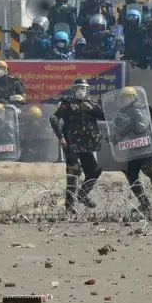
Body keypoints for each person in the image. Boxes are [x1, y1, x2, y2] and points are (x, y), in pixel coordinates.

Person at [109, 87, 152, 214]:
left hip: (148, 146)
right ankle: (144, 204)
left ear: (132, 98)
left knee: (151, 171)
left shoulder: (141, 109)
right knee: (131, 174)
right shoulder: (123, 113)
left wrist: (126, 127)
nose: (123, 101)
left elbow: (141, 127)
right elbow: (119, 130)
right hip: (135, 148)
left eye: (126, 98)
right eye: (122, 98)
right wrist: (114, 136)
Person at [49, 79, 105, 213]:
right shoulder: (67, 104)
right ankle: (69, 206)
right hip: (71, 144)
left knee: (94, 171)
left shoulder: (92, 103)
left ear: (87, 90)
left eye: (83, 88)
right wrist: (61, 137)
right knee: (73, 174)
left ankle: (82, 194)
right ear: (74, 90)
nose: (81, 91)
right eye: (78, 88)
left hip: (86, 145)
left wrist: (92, 109)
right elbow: (53, 118)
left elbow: (104, 115)